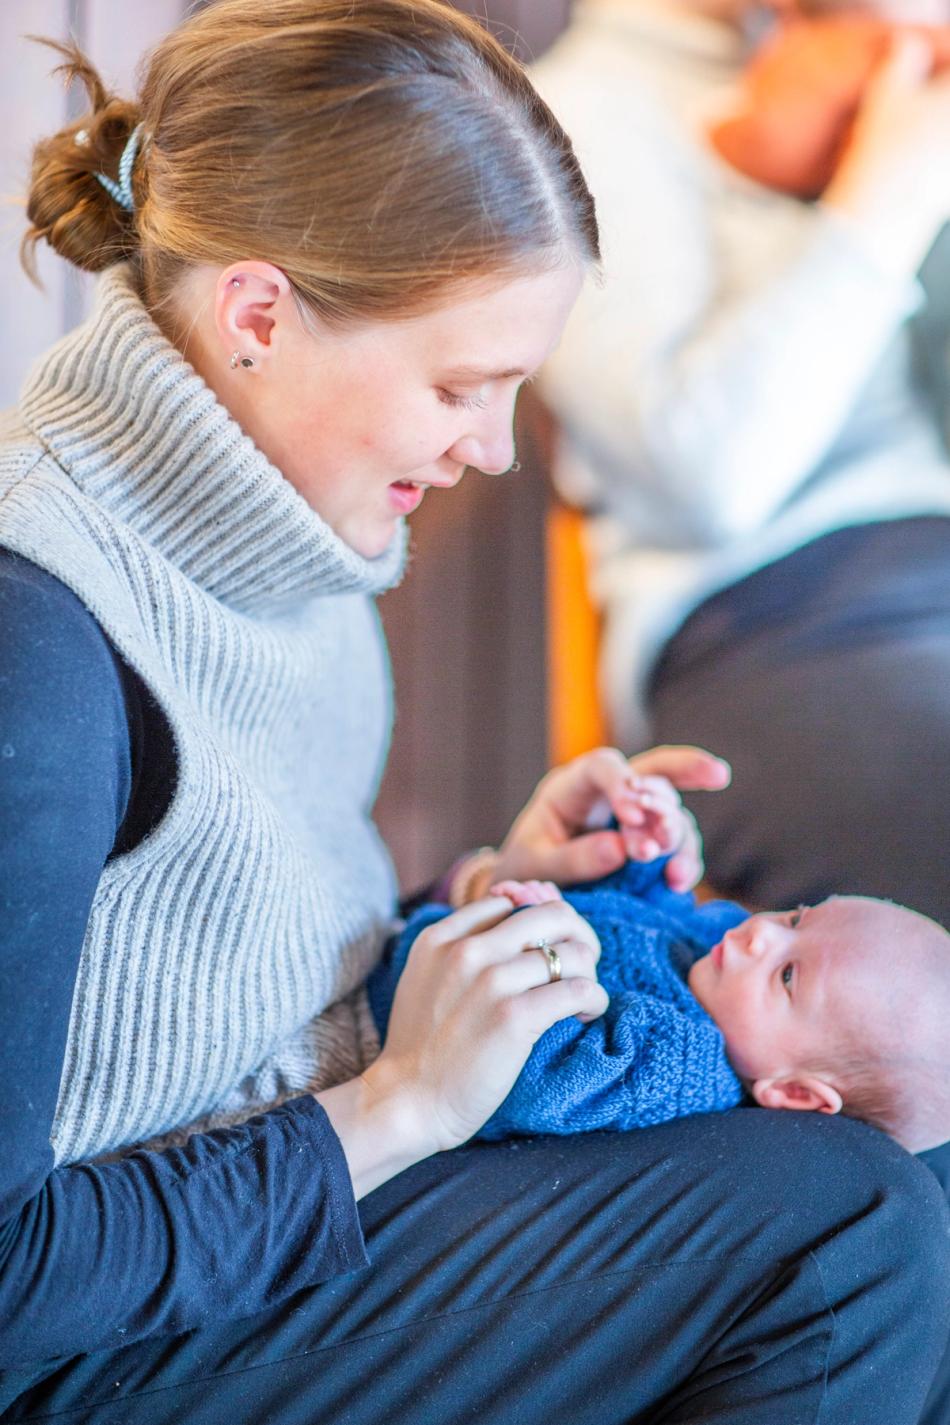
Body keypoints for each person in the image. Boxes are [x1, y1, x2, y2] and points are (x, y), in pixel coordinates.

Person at [1, 3, 948, 1422]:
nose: (496, 451)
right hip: (107, 1331)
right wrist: (397, 1111)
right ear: (257, 314)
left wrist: (490, 891)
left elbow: (215, 974)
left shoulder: (294, 536)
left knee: (914, 1145)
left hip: (291, 1189)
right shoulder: (40, 655)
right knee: (851, 1228)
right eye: (460, 384)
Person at [532, 0, 950, 925]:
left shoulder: (855, 61)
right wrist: (889, 195)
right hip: (783, 622)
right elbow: (701, 479)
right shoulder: (568, 119)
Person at [372, 779, 950, 1152]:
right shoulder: (716, 945)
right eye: (796, 917)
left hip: (381, 1039)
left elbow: (535, 1090)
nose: (761, 934)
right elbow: (646, 909)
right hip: (412, 946)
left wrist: (551, 958)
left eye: (789, 975)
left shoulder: (679, 1066)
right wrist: (647, 849)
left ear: (795, 1093)